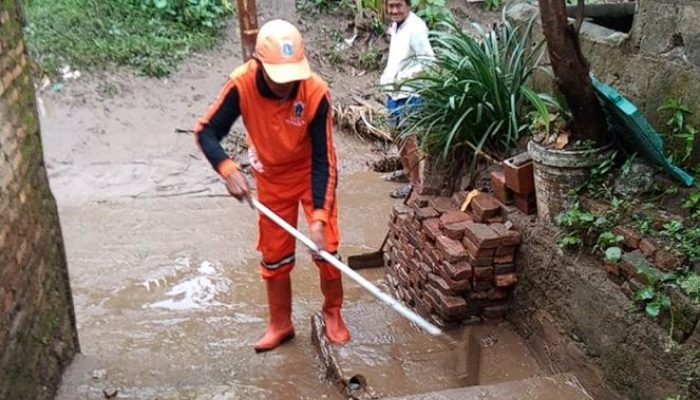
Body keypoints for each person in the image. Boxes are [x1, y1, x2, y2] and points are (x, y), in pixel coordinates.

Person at [193, 19, 350, 352]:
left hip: (310, 173)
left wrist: (319, 218)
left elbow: (325, 161)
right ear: (259, 64)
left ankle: (333, 313)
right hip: (271, 177)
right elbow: (206, 132)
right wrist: (226, 167)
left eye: (292, 75)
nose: (286, 85)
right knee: (275, 256)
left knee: (329, 250)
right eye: (279, 76)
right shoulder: (241, 85)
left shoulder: (315, 92)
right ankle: (280, 323)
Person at [380, 0, 435, 198]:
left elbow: (429, 61)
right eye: (391, 6)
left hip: (410, 93)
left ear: (408, 5)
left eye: (398, 6)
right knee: (397, 136)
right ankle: (408, 177)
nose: (394, 10)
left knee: (409, 139)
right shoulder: (396, 25)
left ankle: (416, 185)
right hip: (393, 91)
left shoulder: (417, 28)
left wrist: (403, 79)